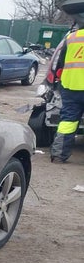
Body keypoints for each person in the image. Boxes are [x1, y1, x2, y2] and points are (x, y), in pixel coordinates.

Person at [50, 22, 84, 162]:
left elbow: (60, 62)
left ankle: (59, 154)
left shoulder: (71, 37)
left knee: (68, 121)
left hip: (71, 86)